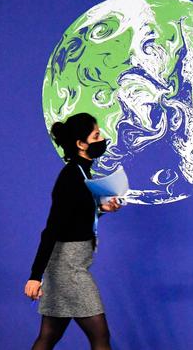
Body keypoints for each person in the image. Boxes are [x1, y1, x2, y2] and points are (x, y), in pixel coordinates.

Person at [24, 112, 122, 350]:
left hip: (69, 265)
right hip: (69, 269)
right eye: (96, 135)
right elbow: (52, 229)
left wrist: (101, 208)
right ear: (81, 144)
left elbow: (75, 218)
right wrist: (35, 276)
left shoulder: (82, 173)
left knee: (49, 336)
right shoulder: (71, 178)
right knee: (100, 336)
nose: (103, 138)